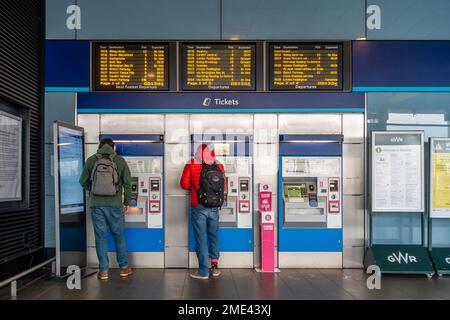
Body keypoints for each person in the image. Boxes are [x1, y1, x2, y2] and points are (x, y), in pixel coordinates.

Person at [79, 138, 133, 280]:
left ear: (100, 147)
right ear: (113, 147)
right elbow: (128, 183)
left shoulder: (91, 160)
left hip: (97, 205)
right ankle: (123, 268)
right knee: (119, 236)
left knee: (100, 237)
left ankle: (103, 271)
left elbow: (82, 181)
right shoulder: (120, 161)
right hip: (115, 205)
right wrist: (126, 201)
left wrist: (93, 192)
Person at [180, 144, 225, 279]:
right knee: (214, 235)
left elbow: (184, 184)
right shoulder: (219, 165)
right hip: (214, 206)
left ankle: (203, 271)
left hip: (198, 205)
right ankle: (215, 266)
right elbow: (223, 185)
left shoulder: (191, 164)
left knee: (201, 237)